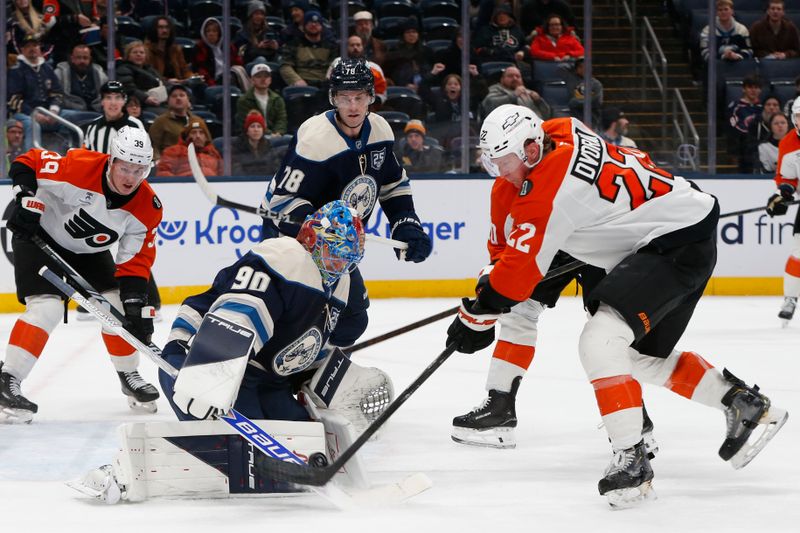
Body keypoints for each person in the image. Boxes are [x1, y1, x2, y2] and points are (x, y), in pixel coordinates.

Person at [446, 106, 788, 507]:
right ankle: (742, 402)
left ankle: (632, 458)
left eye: (503, 163)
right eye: (490, 163)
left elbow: (516, 278)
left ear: (531, 149)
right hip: (673, 228)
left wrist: (478, 314)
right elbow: (512, 249)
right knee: (633, 357)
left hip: (673, 242)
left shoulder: (549, 192)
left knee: (600, 341)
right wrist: (488, 298)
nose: (499, 172)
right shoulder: (561, 128)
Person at [261, 57, 432, 348]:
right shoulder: (314, 140)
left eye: (359, 97)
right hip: (291, 240)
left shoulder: (380, 132)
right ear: (333, 98)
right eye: (344, 98)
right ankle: (274, 373)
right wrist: (319, 229)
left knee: (352, 319)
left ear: (371, 97)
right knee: (295, 317)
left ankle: (312, 373)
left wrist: (406, 223)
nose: (352, 107)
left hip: (340, 247)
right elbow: (281, 202)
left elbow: (393, 184)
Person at [0, 127, 162, 423]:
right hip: (40, 236)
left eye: (139, 170)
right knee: (47, 307)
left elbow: (135, 262)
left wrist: (137, 308)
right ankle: (8, 378)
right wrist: (24, 197)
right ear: (111, 160)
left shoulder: (147, 208)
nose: (130, 177)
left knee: (119, 308)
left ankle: (128, 374)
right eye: (125, 167)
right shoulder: (80, 167)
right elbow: (28, 161)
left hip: (89, 253)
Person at [158, 199, 366, 422]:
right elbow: (241, 315)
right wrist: (208, 375)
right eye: (335, 255)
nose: (340, 266)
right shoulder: (284, 257)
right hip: (209, 362)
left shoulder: (341, 281)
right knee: (242, 445)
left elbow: (314, 341)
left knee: (304, 438)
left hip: (270, 380)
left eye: (347, 260)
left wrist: (316, 377)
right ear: (312, 239)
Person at [7, 34, 87, 151]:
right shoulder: (16, 70)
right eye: (28, 46)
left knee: (79, 116)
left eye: (35, 45)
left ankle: (73, 156)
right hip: (24, 114)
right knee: (32, 125)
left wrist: (53, 111)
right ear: (22, 50)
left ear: (40, 48)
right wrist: (35, 114)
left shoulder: (46, 68)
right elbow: (14, 100)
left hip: (50, 113)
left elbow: (57, 93)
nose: (32, 49)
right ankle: (31, 163)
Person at [765, 98, 800, 324]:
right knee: (799, 253)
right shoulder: (788, 143)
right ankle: (790, 298)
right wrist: (784, 194)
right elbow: (788, 179)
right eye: (798, 116)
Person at [278, 10, 338, 89]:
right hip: (301, 84)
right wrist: (296, 80)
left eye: (316, 22)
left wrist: (328, 82)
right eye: (310, 22)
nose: (313, 25)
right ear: (304, 26)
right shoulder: (294, 44)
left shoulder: (330, 46)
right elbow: (285, 66)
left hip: (324, 85)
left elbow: (334, 66)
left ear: (322, 26)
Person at [478, 66, 551, 123]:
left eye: (518, 76)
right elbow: (490, 103)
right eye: (510, 76)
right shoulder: (496, 89)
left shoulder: (529, 92)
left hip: (535, 129)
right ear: (502, 79)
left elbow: (547, 115)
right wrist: (514, 95)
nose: (515, 78)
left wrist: (539, 101)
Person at [149, 84, 204, 159]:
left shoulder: (198, 121)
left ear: (188, 100)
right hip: (170, 163)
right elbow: (153, 146)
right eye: (174, 96)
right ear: (168, 101)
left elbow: (207, 145)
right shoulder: (160, 121)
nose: (178, 98)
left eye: (182, 95)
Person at [234, 63, 288, 137]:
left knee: (289, 139)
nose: (263, 79)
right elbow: (245, 123)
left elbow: (281, 120)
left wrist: (278, 132)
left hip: (275, 135)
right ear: (252, 80)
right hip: (253, 136)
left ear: (270, 79)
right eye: (259, 76)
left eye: (266, 76)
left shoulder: (278, 99)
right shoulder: (244, 100)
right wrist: (270, 134)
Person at [116, 40, 169, 112]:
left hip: (160, 101)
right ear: (128, 56)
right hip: (141, 104)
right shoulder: (124, 69)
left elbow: (162, 82)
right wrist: (146, 98)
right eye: (135, 52)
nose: (138, 54)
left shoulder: (149, 69)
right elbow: (129, 88)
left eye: (141, 52)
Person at [156, 119, 222, 177]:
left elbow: (223, 174)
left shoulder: (213, 153)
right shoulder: (173, 151)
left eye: (201, 133)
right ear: (187, 137)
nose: (198, 136)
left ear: (206, 137)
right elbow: (163, 173)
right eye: (193, 132)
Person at [54, 43, 108, 112]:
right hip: (70, 113)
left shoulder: (100, 74)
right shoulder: (60, 73)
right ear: (72, 58)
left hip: (95, 112)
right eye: (78, 57)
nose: (82, 61)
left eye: (85, 58)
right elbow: (56, 97)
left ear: (90, 59)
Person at [192, 17, 243, 86]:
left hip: (229, 76)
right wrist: (212, 84)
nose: (211, 34)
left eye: (214, 31)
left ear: (219, 33)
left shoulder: (227, 45)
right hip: (210, 81)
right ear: (204, 33)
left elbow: (237, 61)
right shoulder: (200, 47)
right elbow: (201, 69)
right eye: (208, 31)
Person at [232, 111, 285, 176]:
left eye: (259, 126)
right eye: (252, 126)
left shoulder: (268, 146)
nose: (256, 129)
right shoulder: (237, 147)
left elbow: (275, 169)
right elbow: (236, 171)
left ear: (263, 130)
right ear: (247, 131)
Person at [727, 76, 762, 173]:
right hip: (742, 147)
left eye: (756, 87)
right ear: (744, 89)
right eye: (750, 87)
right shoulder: (735, 106)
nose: (753, 90)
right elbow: (733, 129)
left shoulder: (764, 106)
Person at [144, 16, 193, 84]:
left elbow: (184, 70)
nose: (165, 30)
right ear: (154, 29)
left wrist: (192, 77)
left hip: (178, 84)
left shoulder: (176, 49)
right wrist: (167, 81)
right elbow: (150, 75)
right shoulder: (147, 50)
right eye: (160, 27)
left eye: (167, 27)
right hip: (159, 85)